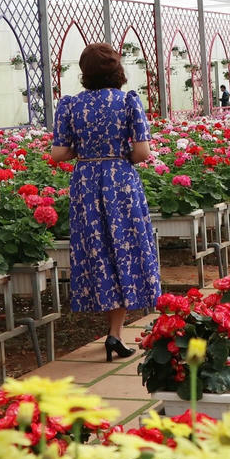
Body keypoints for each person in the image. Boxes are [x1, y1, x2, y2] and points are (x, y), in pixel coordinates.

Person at [50, 44, 159, 361]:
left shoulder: (71, 105)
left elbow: (58, 153)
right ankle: (115, 334)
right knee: (123, 248)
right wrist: (117, 156)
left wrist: (84, 151)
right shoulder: (127, 101)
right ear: (117, 70)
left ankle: (113, 332)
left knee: (97, 250)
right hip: (120, 181)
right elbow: (143, 152)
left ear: (84, 73)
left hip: (86, 183)